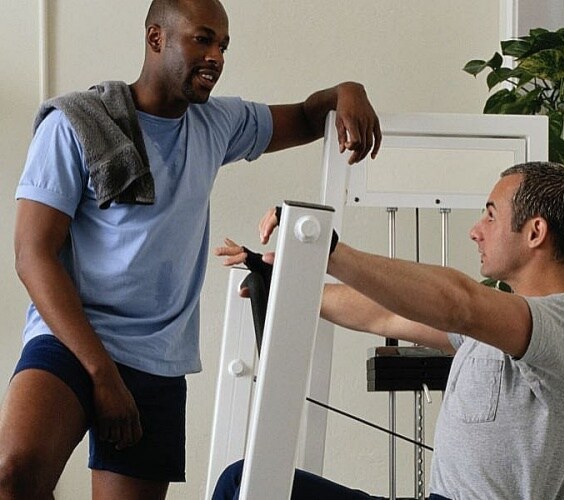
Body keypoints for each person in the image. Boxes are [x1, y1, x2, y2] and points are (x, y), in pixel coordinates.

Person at [0, 0, 382, 498]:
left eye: (223, 45)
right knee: (13, 472)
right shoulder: (74, 125)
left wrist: (346, 91)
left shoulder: (217, 124)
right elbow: (33, 256)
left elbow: (308, 117)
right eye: (202, 39)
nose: (217, 56)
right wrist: (101, 373)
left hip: (155, 358)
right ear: (156, 38)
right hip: (71, 339)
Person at [213, 161, 564, 499]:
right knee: (243, 483)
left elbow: (459, 303)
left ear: (535, 233)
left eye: (490, 216)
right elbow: (380, 315)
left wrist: (325, 249)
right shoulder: (503, 325)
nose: (475, 231)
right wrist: (288, 279)